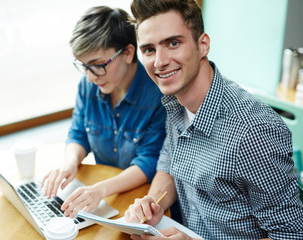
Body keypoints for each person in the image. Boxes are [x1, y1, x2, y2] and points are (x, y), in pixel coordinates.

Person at [124, 0, 303, 239]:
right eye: (149, 50)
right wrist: (152, 203)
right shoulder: (174, 101)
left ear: (203, 44)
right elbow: (169, 163)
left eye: (173, 43)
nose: (159, 61)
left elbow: (289, 235)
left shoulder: (254, 130)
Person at [40, 6, 166, 218]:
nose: (90, 77)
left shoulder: (158, 95)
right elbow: (78, 133)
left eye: (97, 65)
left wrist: (100, 190)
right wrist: (69, 162)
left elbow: (149, 162)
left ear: (127, 52)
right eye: (84, 66)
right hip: (101, 196)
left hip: (140, 202)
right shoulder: (88, 86)